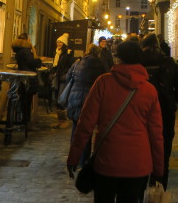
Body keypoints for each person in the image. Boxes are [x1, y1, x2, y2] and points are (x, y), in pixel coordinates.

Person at [67, 41, 164, 203]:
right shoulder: (149, 90)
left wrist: (73, 158)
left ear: (118, 58)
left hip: (107, 161)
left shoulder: (103, 83)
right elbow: (156, 134)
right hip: (137, 164)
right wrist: (159, 169)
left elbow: (85, 124)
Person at [140, 32, 178, 189]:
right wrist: (172, 100)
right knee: (163, 156)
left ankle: (140, 191)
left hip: (142, 114)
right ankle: (158, 190)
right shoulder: (169, 62)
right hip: (165, 113)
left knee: (141, 154)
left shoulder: (138, 63)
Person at [63, 43, 106, 165]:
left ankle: (74, 157)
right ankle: (84, 160)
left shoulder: (77, 63)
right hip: (90, 99)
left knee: (76, 127)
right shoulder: (99, 64)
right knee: (87, 129)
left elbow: (68, 77)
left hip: (74, 97)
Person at [11, 33, 42, 125]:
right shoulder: (26, 51)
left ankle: (23, 119)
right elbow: (32, 63)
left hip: (23, 78)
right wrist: (38, 60)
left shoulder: (18, 50)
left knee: (24, 99)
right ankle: (25, 121)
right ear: (26, 40)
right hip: (28, 79)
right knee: (26, 101)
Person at [52, 33, 75, 128]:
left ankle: (65, 121)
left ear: (64, 43)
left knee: (61, 99)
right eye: (57, 42)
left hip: (63, 79)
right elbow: (55, 66)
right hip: (57, 78)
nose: (58, 44)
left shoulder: (68, 53)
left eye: (60, 42)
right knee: (57, 98)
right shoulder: (57, 53)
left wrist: (66, 75)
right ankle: (60, 120)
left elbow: (72, 66)